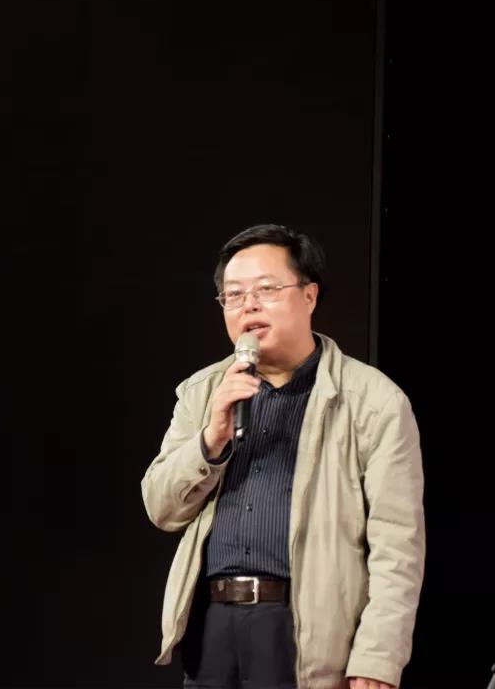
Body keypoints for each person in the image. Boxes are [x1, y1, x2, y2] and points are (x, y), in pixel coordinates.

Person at [141, 224, 425, 689]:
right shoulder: (202, 392)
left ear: (309, 296)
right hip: (211, 627)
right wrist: (211, 439)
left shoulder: (372, 400)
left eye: (266, 290)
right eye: (233, 295)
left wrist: (377, 658)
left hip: (305, 628)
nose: (248, 305)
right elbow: (161, 507)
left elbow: (398, 545)